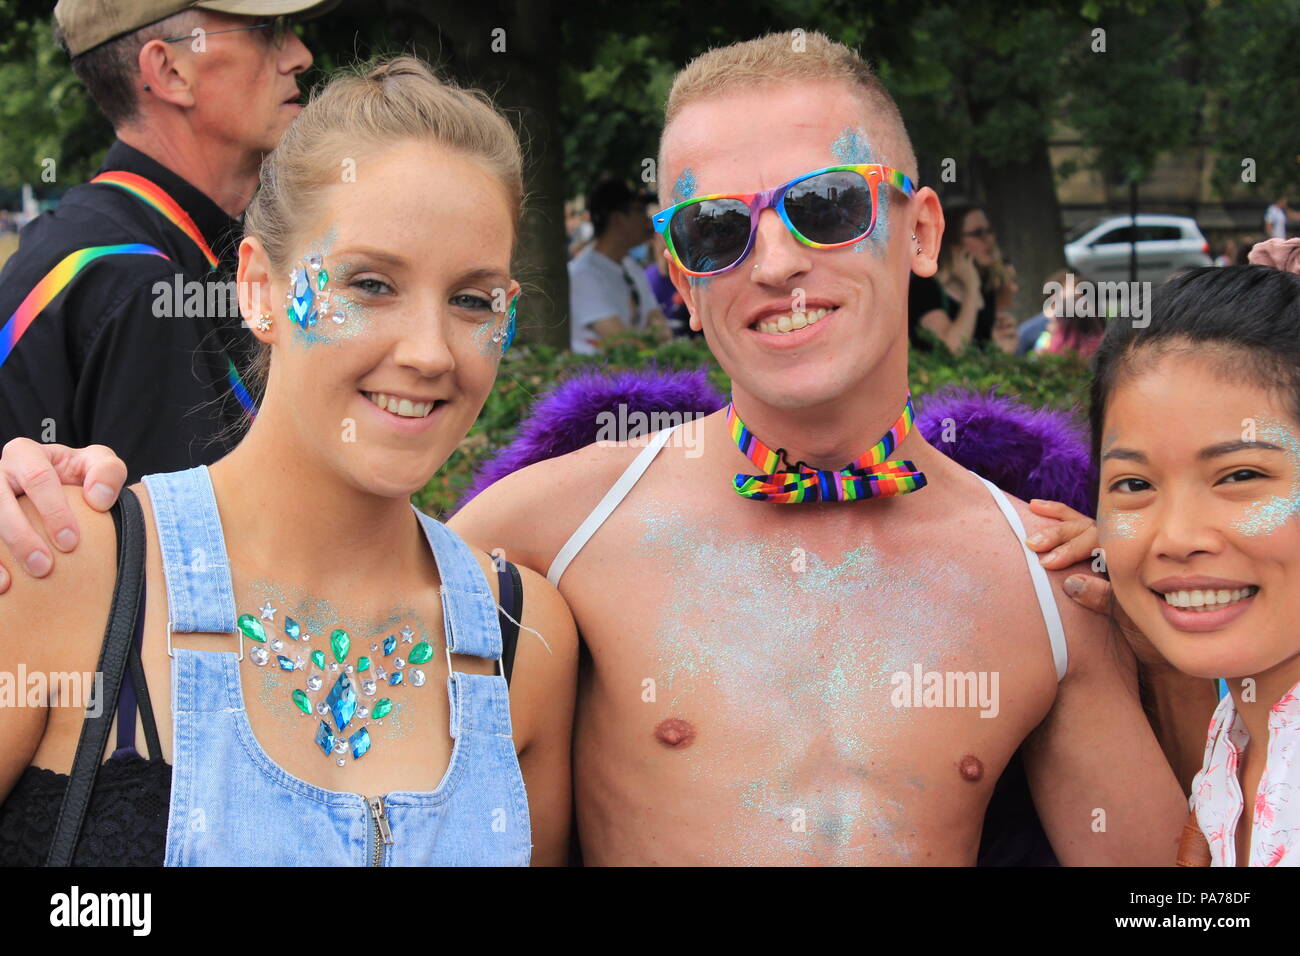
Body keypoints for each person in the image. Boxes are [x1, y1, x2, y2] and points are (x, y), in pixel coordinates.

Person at [0, 31, 1189, 865]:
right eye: (717, 230)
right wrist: (61, 502)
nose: (773, 262)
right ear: (676, 274)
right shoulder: (545, 543)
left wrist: (1172, 599)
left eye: (826, 205)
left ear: (918, 226)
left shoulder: (1042, 577)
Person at [0, 57, 577, 866]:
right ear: (259, 289)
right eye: (371, 283)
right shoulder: (63, 568)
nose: (429, 352)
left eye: (473, 299)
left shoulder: (524, 640)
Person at [0, 1, 333, 497]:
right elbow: (200, 564)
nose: (300, 55)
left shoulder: (95, 240)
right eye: (267, 32)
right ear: (171, 71)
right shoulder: (142, 290)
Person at [567, 177, 670, 354]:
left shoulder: (630, 266)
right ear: (617, 218)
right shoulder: (583, 274)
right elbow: (620, 342)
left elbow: (659, 324)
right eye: (639, 211)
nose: (648, 220)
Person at [907, 200, 1017, 354]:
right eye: (978, 233)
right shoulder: (925, 288)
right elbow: (953, 349)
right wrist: (971, 287)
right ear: (952, 243)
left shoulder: (986, 288)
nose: (989, 240)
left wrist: (1001, 347)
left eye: (989, 231)